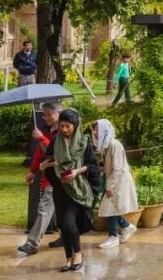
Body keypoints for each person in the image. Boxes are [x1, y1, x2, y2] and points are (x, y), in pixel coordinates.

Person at [41, 109, 98, 273]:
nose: (64, 129)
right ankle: (68, 257)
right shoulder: (55, 141)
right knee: (63, 226)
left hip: (78, 189)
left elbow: (93, 166)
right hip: (60, 188)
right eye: (62, 126)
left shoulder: (84, 142)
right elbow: (47, 162)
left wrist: (76, 172)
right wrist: (43, 166)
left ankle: (78, 253)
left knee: (68, 222)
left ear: (76, 125)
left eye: (68, 126)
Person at [18, 101, 61, 255]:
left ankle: (32, 243)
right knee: (59, 210)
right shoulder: (48, 131)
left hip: (59, 177)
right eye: (44, 115)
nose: (45, 117)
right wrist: (32, 171)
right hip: (51, 177)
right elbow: (40, 152)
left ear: (58, 114)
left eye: (49, 114)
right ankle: (66, 237)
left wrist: (42, 138)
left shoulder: (63, 131)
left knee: (44, 209)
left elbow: (56, 152)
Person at [91, 119, 138, 249]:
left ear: (104, 130)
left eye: (97, 129)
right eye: (94, 130)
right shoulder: (106, 144)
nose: (94, 132)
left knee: (110, 208)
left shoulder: (114, 144)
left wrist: (109, 186)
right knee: (112, 208)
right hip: (115, 180)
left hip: (119, 181)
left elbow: (117, 169)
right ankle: (126, 227)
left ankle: (113, 237)